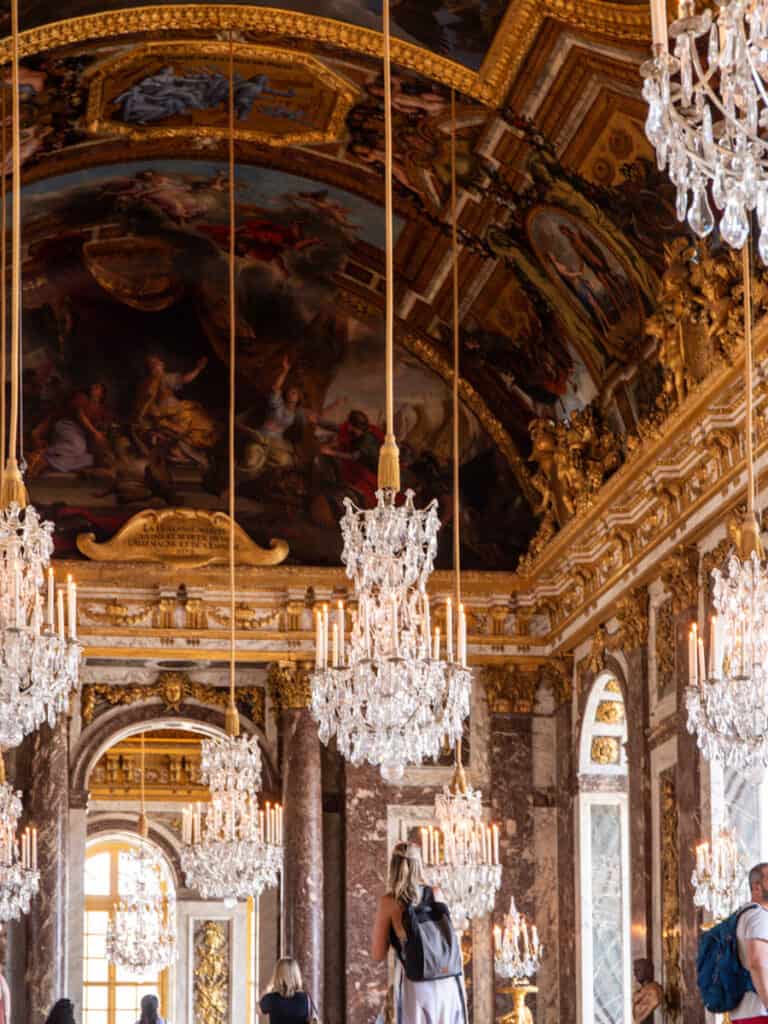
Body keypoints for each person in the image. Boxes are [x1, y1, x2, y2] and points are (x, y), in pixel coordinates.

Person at [371, 841, 466, 1023]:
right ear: (419, 864)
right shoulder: (436, 893)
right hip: (448, 983)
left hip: (416, 984)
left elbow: (377, 954)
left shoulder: (389, 902)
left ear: (393, 866)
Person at [733, 862, 768, 1020]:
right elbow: (757, 963)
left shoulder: (743, 914)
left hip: (745, 1010)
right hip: (759, 1011)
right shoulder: (759, 916)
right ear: (756, 887)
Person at [259, 957, 315, 1023]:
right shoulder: (306, 998)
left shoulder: (271, 999)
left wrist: (269, 986)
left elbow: (258, 1009)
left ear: (278, 975)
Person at [632, 958, 663, 1023]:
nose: (635, 973)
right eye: (634, 970)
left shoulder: (654, 991)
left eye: (638, 970)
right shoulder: (639, 992)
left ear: (647, 970)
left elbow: (655, 1001)